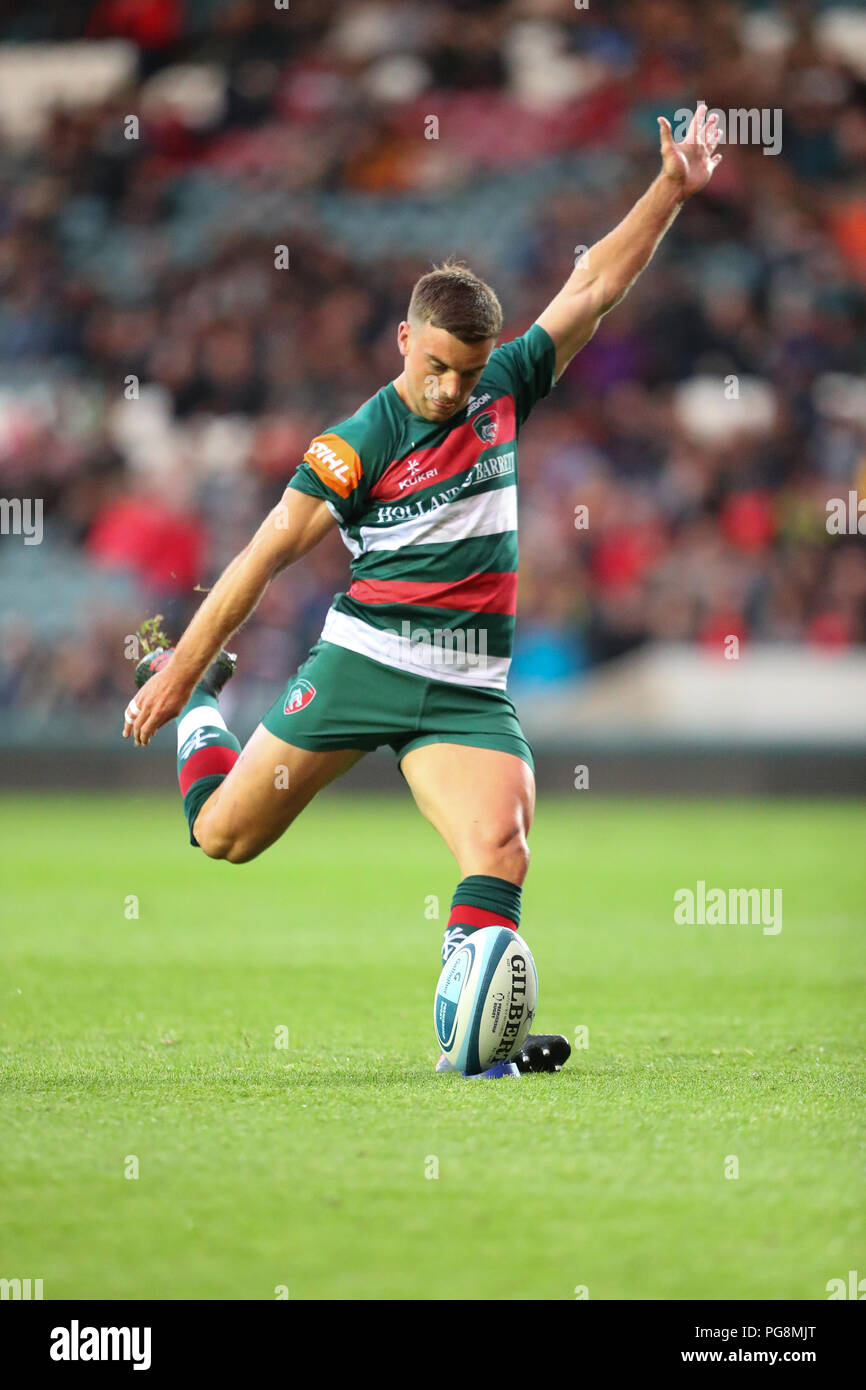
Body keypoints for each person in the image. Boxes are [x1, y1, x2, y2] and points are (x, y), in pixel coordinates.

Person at [123, 106, 723, 1077]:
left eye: (465, 372)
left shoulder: (502, 389)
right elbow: (260, 559)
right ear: (403, 338)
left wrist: (670, 188)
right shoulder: (354, 443)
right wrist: (180, 671)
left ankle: (477, 1046)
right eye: (435, 366)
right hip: (362, 664)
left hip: (465, 691)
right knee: (222, 837)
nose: (449, 389)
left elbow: (594, 284)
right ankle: (200, 711)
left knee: (501, 842)